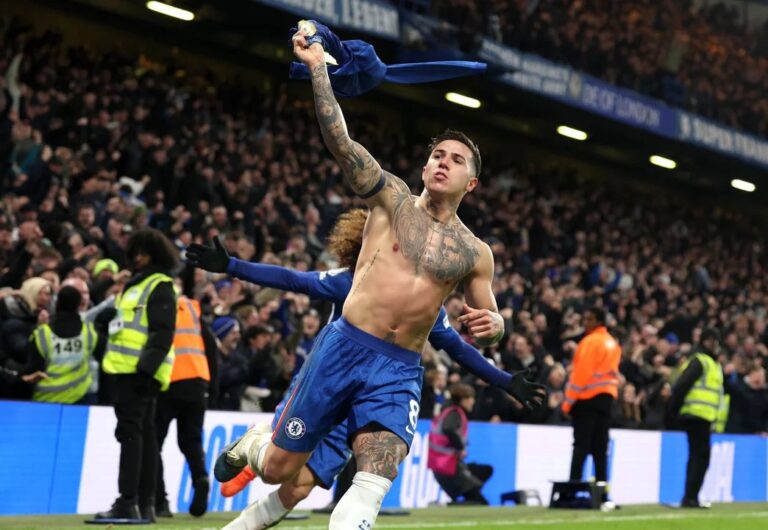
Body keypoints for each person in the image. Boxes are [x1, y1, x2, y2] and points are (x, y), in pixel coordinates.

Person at [202, 22, 516, 529]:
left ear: (471, 182)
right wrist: (317, 73)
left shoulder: (475, 252)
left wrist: (495, 327)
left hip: (398, 371)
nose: (442, 163)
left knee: (373, 479)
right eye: (437, 154)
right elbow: (340, 141)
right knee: (279, 470)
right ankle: (255, 444)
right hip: (343, 348)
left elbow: (492, 316)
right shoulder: (390, 199)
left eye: (456, 160)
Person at [187, 210, 545, 530]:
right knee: (277, 472)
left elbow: (455, 347)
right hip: (326, 384)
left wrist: (505, 380)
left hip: (374, 394)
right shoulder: (350, 279)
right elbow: (294, 280)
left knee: (299, 487)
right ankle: (254, 443)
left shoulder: (424, 307)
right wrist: (233, 266)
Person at [94, 228, 179, 522]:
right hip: (125, 372)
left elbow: (162, 333)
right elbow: (130, 328)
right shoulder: (135, 286)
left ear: (154, 254)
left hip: (139, 374)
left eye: (144, 252)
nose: (139, 257)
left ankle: (128, 502)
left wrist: (146, 369)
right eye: (136, 252)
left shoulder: (159, 285)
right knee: (143, 436)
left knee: (133, 435)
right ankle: (145, 505)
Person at [154, 290, 218, 518]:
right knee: (191, 440)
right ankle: (200, 478)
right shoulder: (190, 308)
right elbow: (211, 347)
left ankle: (159, 501)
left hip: (168, 381)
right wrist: (212, 386)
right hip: (198, 380)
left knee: (153, 442)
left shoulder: (153, 306)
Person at [562, 307, 621, 508]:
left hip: (586, 399)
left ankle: (572, 492)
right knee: (600, 450)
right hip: (606, 400)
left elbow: (581, 375)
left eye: (589, 319)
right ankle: (603, 495)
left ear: (598, 321)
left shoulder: (589, 342)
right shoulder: (612, 343)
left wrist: (568, 402)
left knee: (581, 447)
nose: (585, 322)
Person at [666, 328, 723, 509]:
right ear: (707, 342)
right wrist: (673, 411)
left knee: (698, 456)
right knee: (700, 457)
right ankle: (690, 498)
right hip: (696, 414)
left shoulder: (710, 363)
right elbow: (681, 385)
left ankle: (691, 497)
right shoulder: (701, 361)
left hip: (703, 416)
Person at [23, 285, 105, 404]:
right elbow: (104, 359)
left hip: (45, 400)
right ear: (78, 305)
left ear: (57, 303)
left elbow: (32, 371)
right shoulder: (89, 333)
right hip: (78, 399)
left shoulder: (41, 334)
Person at [428, 383, 493, 506]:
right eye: (470, 398)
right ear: (462, 399)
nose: (472, 402)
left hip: (443, 466)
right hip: (448, 467)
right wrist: (461, 448)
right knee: (480, 503)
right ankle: (445, 506)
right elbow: (449, 429)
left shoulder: (448, 411)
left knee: (486, 471)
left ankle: (456, 500)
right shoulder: (454, 413)